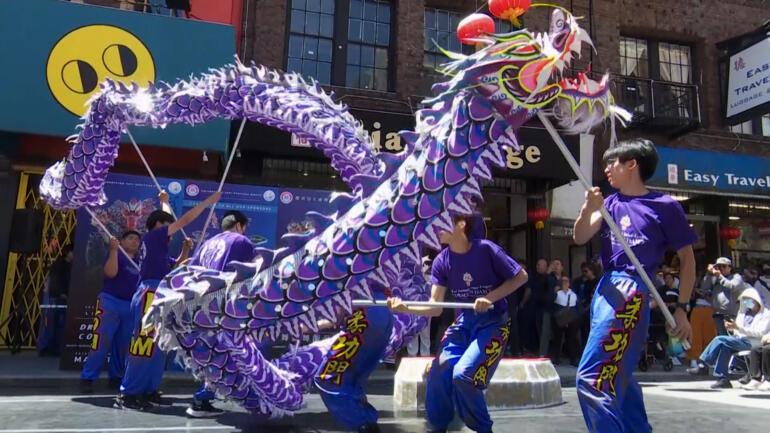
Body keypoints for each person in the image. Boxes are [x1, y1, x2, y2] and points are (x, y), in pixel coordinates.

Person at [572, 138, 696, 433]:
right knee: (619, 378)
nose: (606, 170)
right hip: (606, 287)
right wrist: (588, 208)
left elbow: (688, 260)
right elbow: (579, 237)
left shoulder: (664, 206)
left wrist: (681, 308)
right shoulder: (609, 204)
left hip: (632, 287)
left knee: (594, 378)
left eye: (611, 163)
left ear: (632, 164)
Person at [387, 213, 528, 433]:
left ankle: (483, 429)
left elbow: (521, 277)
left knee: (464, 375)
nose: (434, 228)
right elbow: (435, 307)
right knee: (439, 371)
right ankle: (438, 427)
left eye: (440, 222)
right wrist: (405, 308)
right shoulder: (441, 261)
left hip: (494, 323)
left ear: (461, 224)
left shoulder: (487, 249)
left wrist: (490, 298)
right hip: (464, 323)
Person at [115, 190, 221, 411]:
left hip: (159, 293)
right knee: (143, 344)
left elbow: (175, 267)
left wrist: (184, 251)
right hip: (149, 293)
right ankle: (128, 393)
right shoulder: (154, 237)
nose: (172, 234)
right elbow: (183, 220)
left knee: (157, 345)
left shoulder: (157, 248)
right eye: (168, 228)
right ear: (158, 226)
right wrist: (208, 202)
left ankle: (148, 390)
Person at [185, 210, 257, 418]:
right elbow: (249, 275)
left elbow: (192, 271)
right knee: (229, 353)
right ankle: (202, 398)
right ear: (239, 225)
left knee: (215, 354)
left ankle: (203, 399)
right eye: (245, 227)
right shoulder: (241, 242)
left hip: (201, 308)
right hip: (227, 307)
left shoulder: (207, 244)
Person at [80, 231, 141, 393]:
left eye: (137, 240)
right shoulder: (116, 254)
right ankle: (88, 377)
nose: (134, 242)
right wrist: (114, 250)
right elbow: (111, 273)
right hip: (110, 301)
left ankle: (116, 377)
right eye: (130, 238)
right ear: (121, 241)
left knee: (123, 345)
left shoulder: (140, 261)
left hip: (130, 305)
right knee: (101, 341)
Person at [687, 287, 770, 388]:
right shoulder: (743, 313)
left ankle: (703, 364)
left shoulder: (766, 314)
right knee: (724, 347)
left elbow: (760, 332)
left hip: (754, 343)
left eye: (749, 300)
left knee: (720, 339)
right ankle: (723, 379)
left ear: (756, 299)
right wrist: (732, 329)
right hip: (740, 340)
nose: (747, 303)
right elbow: (738, 330)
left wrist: (739, 328)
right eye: (745, 300)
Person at [38, 244, 74, 356]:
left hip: (61, 297)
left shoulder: (69, 265)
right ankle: (46, 348)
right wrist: (61, 293)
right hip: (56, 298)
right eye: (73, 252)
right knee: (52, 323)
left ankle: (55, 348)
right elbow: (54, 281)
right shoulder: (60, 264)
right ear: (67, 252)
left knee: (59, 324)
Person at [702, 257, 747, 336]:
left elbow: (731, 286)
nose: (721, 268)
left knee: (732, 337)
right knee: (722, 337)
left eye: (724, 266)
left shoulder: (737, 277)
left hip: (730, 314)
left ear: (730, 267)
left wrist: (719, 276)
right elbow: (704, 288)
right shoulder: (715, 278)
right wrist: (709, 274)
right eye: (718, 266)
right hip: (718, 314)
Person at [686, 281, 718, 369]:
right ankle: (693, 358)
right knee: (695, 335)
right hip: (697, 308)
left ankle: (709, 359)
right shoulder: (697, 283)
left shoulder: (718, 284)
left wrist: (704, 295)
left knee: (710, 336)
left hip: (711, 309)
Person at [551, 276, 579, 366]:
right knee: (557, 339)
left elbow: (576, 307)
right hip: (560, 317)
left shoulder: (573, 294)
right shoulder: (557, 294)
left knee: (571, 339)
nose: (565, 284)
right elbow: (551, 302)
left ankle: (573, 359)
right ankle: (556, 358)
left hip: (570, 317)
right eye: (563, 282)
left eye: (567, 282)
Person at [532, 258, 555, 357]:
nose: (537, 267)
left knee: (545, 331)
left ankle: (544, 353)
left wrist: (548, 274)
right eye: (537, 265)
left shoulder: (550, 278)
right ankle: (540, 351)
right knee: (539, 330)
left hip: (547, 308)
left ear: (545, 267)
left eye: (539, 265)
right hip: (537, 306)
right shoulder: (536, 277)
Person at [573, 262, 599, 348]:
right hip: (583, 310)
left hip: (592, 310)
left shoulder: (597, 282)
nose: (583, 273)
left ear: (591, 271)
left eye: (585, 271)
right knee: (583, 332)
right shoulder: (584, 282)